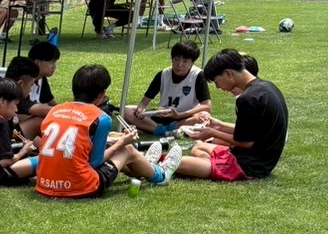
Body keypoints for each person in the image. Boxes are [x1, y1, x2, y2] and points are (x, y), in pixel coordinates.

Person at [33, 63, 181, 199]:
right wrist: (122, 142)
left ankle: (145, 167)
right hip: (80, 186)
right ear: (101, 95)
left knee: (110, 146)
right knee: (127, 150)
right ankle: (161, 175)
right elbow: (94, 162)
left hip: (44, 183)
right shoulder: (100, 118)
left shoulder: (54, 110)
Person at [170, 48, 288, 182]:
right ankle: (209, 164)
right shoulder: (268, 87)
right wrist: (218, 125)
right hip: (265, 161)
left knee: (178, 162)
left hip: (248, 165)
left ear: (228, 73)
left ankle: (211, 165)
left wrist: (211, 133)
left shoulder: (247, 98)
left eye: (216, 81)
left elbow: (246, 143)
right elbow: (254, 132)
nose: (218, 87)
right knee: (198, 147)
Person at [122, 40, 212, 137]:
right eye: (176, 59)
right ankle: (165, 131)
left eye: (185, 61)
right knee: (126, 111)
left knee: (204, 116)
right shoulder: (163, 74)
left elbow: (206, 106)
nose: (179, 64)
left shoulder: (198, 75)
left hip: (184, 117)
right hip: (162, 116)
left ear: (192, 63)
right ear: (172, 59)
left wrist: (179, 115)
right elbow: (144, 102)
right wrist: (140, 110)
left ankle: (153, 129)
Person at [16, 40, 62, 137]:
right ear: (37, 63)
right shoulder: (23, 80)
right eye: (51, 62)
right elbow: (39, 109)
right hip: (15, 128)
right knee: (41, 120)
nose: (54, 67)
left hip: (25, 126)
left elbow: (51, 102)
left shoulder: (41, 79)